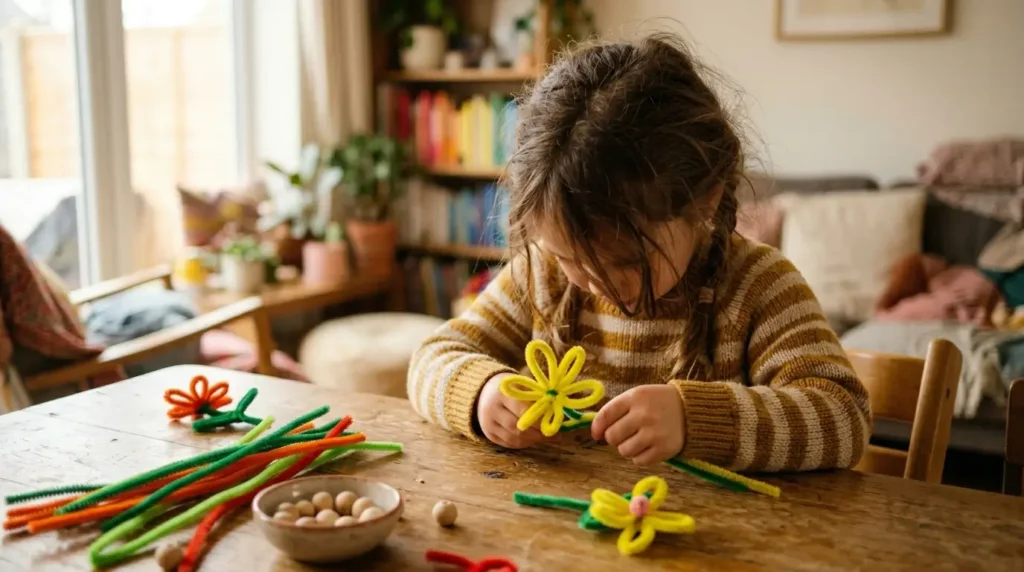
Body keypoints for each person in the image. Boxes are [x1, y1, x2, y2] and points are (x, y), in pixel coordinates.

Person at [407, 34, 870, 472]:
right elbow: (433, 356)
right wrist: (482, 392)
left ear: (704, 199)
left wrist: (696, 420)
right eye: (569, 256)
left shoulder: (759, 286)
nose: (592, 282)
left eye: (625, 262)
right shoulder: (542, 274)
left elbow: (845, 418)